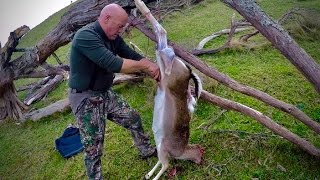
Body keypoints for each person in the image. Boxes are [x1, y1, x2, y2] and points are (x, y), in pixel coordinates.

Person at [68, 3, 160, 179]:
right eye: (119, 26)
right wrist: (147, 65)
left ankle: (146, 150)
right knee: (93, 146)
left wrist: (152, 66)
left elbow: (129, 54)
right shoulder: (85, 36)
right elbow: (113, 63)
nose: (121, 30)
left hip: (104, 93)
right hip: (86, 98)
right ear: (107, 18)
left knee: (133, 117)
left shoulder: (113, 37)